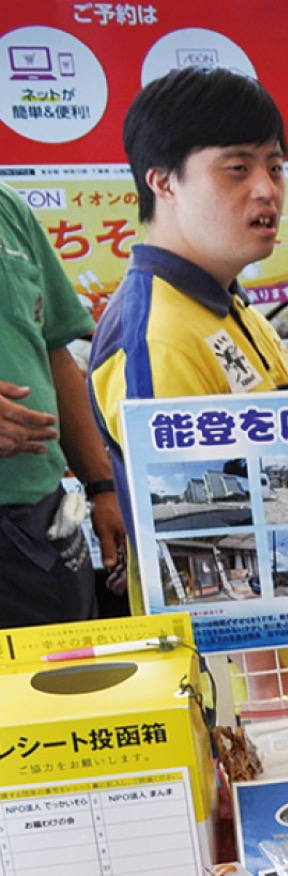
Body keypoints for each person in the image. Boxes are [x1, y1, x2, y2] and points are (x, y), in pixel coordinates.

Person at [88, 67, 288, 697]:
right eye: (236, 168)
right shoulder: (156, 334)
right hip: (239, 692)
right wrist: (271, 697)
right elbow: (200, 538)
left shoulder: (225, 303)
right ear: (163, 182)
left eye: (275, 165)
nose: (267, 189)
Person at [0, 180, 124, 629]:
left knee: (70, 684)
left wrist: (103, 487)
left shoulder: (7, 206)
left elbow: (54, 352)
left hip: (40, 516)